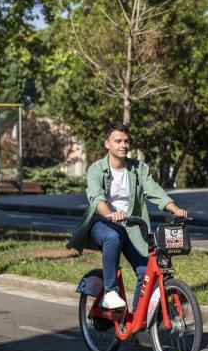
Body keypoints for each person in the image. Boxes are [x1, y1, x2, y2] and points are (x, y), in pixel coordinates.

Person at [67, 123, 188, 310]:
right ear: (107, 144)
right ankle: (110, 292)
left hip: (132, 227)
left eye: (126, 141)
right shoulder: (96, 169)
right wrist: (109, 214)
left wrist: (174, 208)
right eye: (118, 141)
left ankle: (137, 325)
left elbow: (153, 189)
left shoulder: (139, 169)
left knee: (146, 272)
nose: (123, 145)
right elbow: (96, 197)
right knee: (112, 237)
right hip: (102, 224)